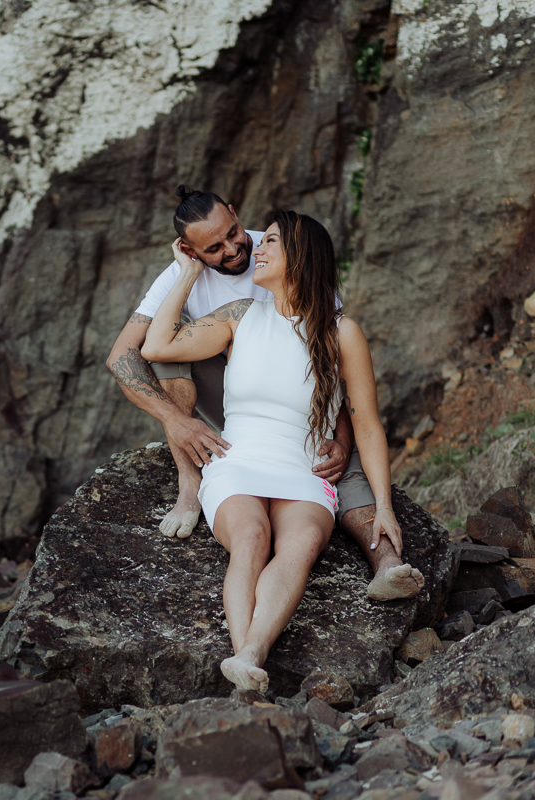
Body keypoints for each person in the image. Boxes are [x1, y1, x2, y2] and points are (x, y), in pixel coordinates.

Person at [105, 188, 422, 602]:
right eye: (214, 248)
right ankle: (190, 480)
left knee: (344, 470)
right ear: (190, 249)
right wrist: (178, 421)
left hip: (302, 406)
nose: (236, 248)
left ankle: (388, 564)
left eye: (234, 232)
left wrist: (342, 441)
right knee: (168, 349)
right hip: (236, 402)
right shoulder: (182, 274)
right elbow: (125, 355)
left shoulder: (285, 249)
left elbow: (334, 374)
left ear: (235, 214)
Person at [139, 209, 401, 692]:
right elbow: (156, 346)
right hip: (236, 463)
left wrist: (383, 507)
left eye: (271, 242)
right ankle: (245, 659)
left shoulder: (342, 332)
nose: (256, 248)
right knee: (252, 539)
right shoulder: (239, 317)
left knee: (300, 546)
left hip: (304, 470)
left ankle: (252, 653)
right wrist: (188, 271)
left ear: (300, 257)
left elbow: (366, 423)